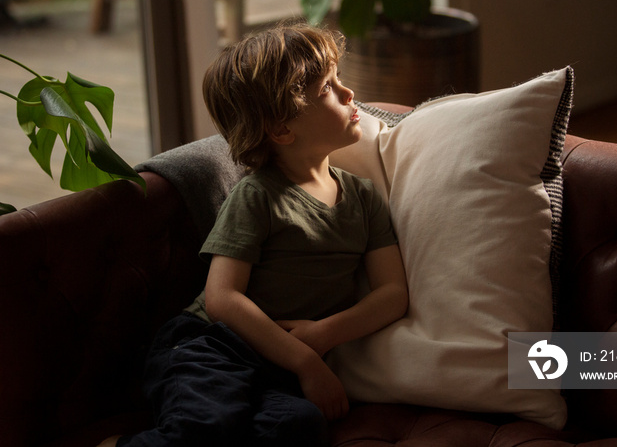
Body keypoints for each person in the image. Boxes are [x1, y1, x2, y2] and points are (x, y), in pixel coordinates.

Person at [100, 23, 408, 447]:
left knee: (296, 426)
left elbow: (392, 294)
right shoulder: (258, 195)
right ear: (281, 130)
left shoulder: (364, 198)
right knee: (207, 427)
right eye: (327, 89)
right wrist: (306, 360)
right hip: (213, 347)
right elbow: (222, 298)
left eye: (339, 79)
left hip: (279, 368)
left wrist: (323, 336)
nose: (349, 93)